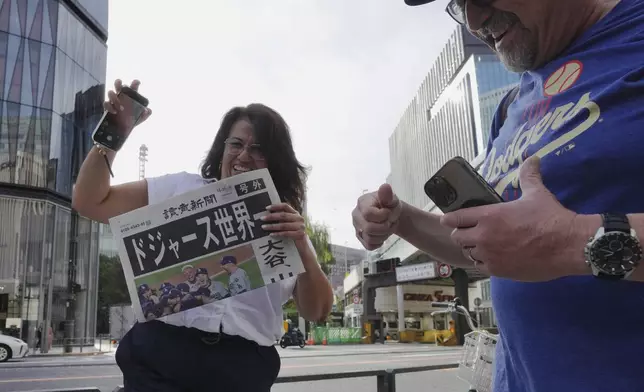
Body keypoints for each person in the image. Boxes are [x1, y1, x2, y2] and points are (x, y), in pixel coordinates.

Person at [354, 0, 644, 391]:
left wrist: (574, 242)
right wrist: (401, 219)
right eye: (459, 4)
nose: (474, 21)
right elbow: (494, 248)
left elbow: (544, 243)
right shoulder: (511, 106)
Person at [72, 79, 333, 392]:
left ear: (276, 160)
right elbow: (89, 202)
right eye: (236, 144)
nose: (244, 155)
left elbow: (316, 311)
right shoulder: (181, 189)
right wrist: (111, 137)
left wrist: (302, 245)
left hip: (240, 370)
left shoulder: (286, 222)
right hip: (159, 357)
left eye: (259, 149)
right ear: (222, 148)